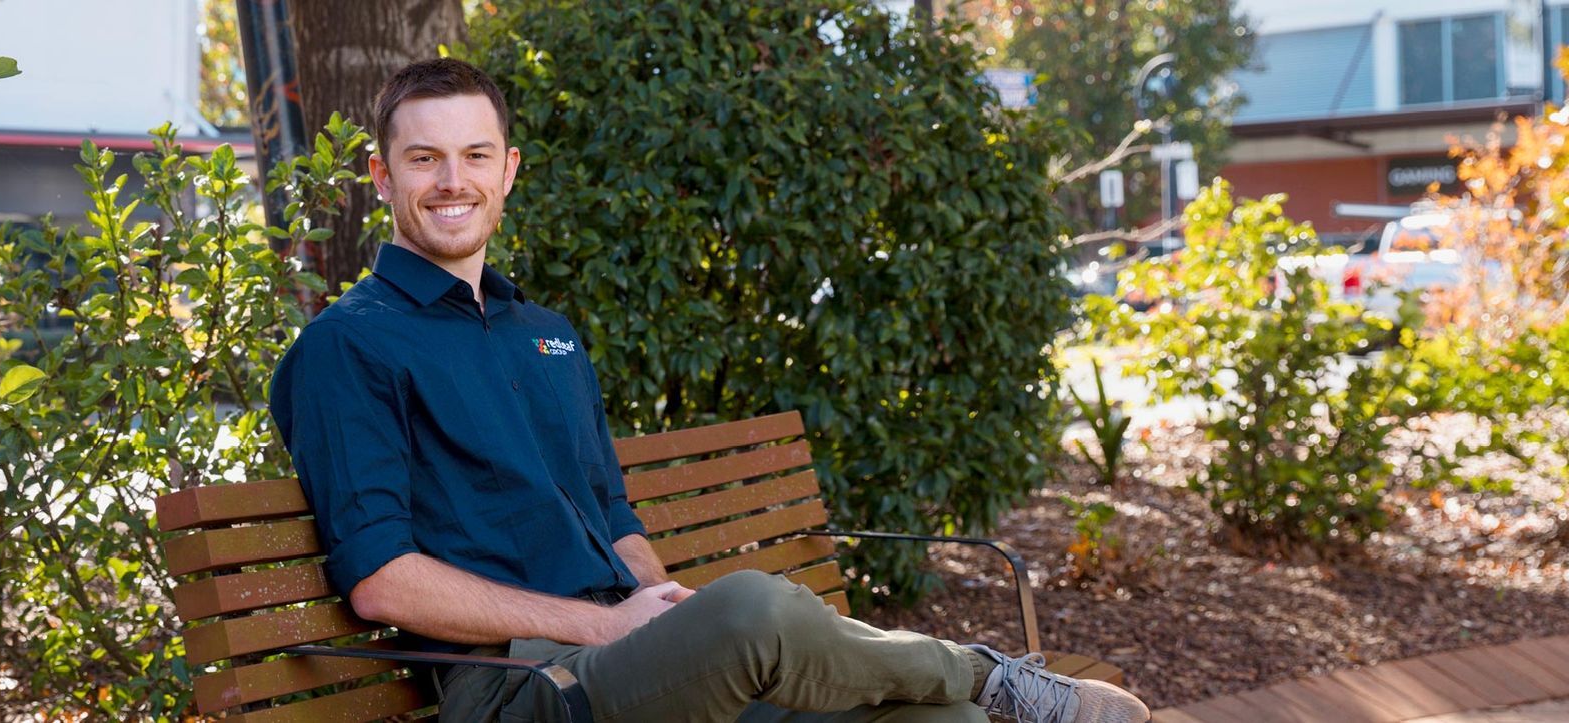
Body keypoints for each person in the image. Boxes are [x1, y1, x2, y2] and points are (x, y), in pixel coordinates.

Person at [268, 57, 1149, 723]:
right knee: (760, 604)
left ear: (509, 171)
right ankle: (988, 670)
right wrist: (604, 627)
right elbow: (382, 581)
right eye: (424, 159)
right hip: (515, 683)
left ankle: (970, 689)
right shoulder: (349, 347)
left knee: (938, 720)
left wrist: (664, 606)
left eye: (474, 155)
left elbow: (610, 511)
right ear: (382, 177)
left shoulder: (548, 333)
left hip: (626, 648)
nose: (452, 181)